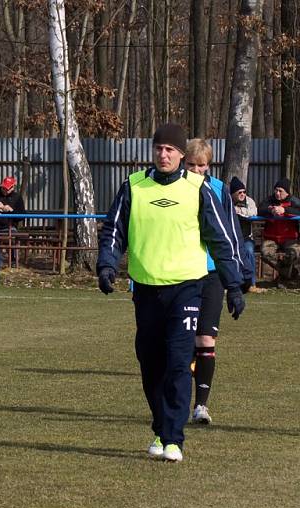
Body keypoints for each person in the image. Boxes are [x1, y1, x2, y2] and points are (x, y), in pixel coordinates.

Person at [97, 123, 245, 463]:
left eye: (170, 150)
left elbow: (221, 240)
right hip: (146, 290)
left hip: (187, 289)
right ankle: (161, 426)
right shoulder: (134, 186)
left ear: (181, 154)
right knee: (151, 364)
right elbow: (113, 231)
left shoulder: (199, 189)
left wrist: (234, 285)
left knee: (179, 363)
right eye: (159, 148)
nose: (164, 155)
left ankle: (174, 439)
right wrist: (106, 265)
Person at [183, 139, 251, 426]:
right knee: (181, 342)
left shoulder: (220, 190)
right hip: (182, 272)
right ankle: (174, 401)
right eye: (191, 165)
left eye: (202, 165)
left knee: (206, 339)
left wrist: (239, 277)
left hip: (211, 274)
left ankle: (201, 405)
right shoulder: (177, 189)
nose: (197, 170)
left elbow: (232, 234)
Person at [257, 178, 300, 282]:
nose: (277, 193)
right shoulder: (269, 200)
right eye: (276, 190)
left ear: (287, 192)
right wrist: (270, 210)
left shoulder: (293, 201)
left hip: (290, 238)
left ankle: (283, 277)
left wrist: (285, 210)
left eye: (280, 191)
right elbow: (260, 209)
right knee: (265, 253)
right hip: (271, 238)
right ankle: (289, 274)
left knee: (295, 253)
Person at [230, 176, 261, 292]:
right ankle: (230, 283)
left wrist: (238, 211)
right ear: (233, 194)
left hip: (246, 237)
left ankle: (251, 284)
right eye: (239, 192)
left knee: (248, 250)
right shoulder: (227, 201)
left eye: (244, 192)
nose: (242, 194)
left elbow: (253, 212)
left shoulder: (249, 201)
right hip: (231, 238)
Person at [0, 176, 24, 266]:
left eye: (7, 189)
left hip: (10, 227)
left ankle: (13, 260)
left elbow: (22, 215)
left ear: (13, 187)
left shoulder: (17, 197)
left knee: (13, 237)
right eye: (4, 188)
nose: (5, 191)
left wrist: (12, 211)